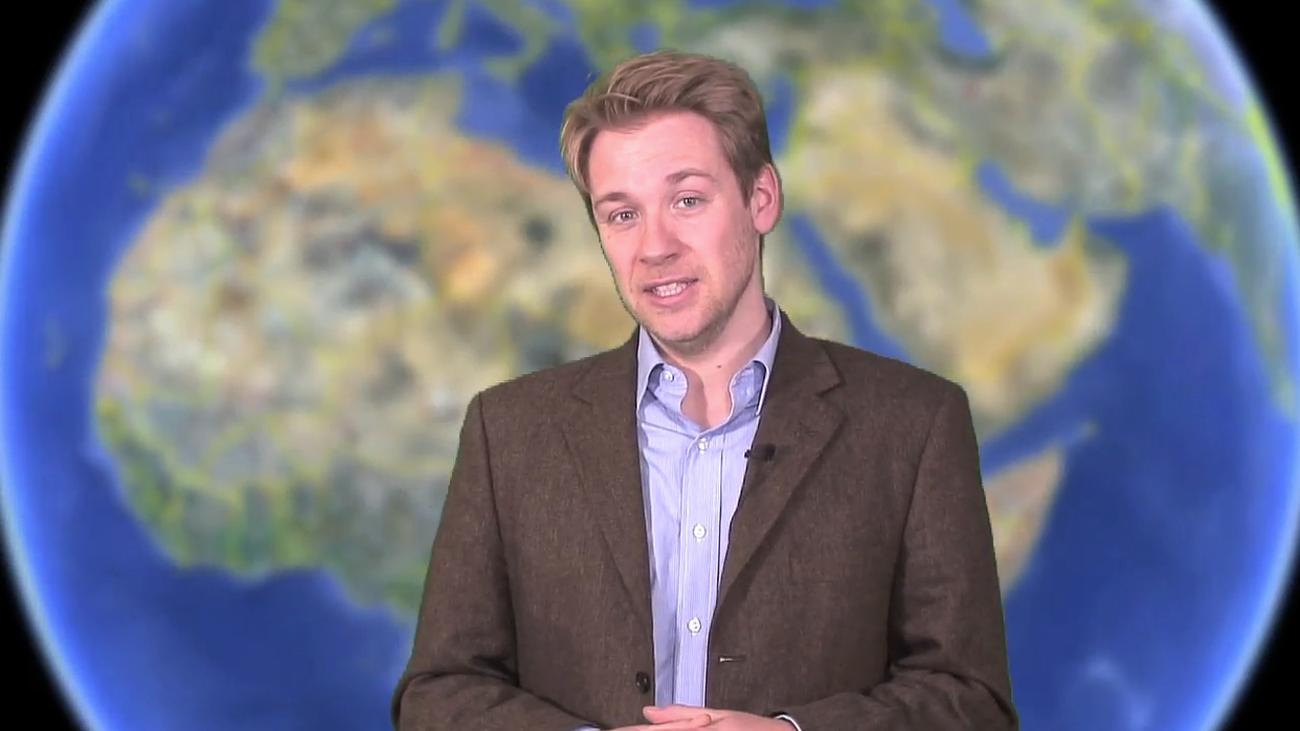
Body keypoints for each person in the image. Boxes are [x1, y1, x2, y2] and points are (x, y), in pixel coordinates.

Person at [391, 49, 1017, 730]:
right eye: (621, 214)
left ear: (761, 199)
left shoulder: (913, 424)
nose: (654, 246)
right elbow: (439, 693)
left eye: (687, 200)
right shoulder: (509, 431)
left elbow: (971, 701)